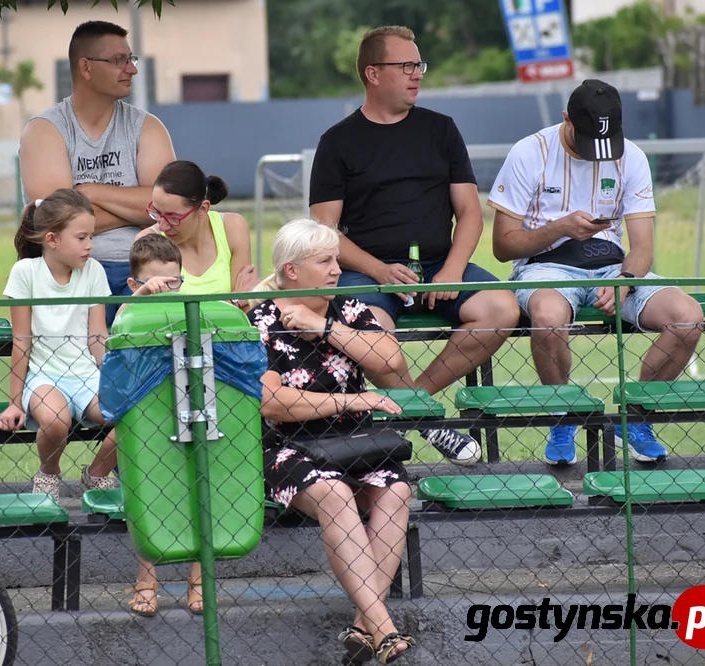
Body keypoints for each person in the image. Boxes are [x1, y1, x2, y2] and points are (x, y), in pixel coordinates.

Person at [308, 26, 519, 467]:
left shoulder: (441, 130)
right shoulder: (337, 142)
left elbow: (471, 212)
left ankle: (411, 406)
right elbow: (324, 231)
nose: (416, 74)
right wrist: (380, 271)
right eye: (405, 66)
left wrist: (453, 270)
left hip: (441, 263)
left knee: (502, 309)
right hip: (366, 270)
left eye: (418, 65)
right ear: (372, 73)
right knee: (373, 337)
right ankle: (429, 423)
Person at [489, 79, 704, 466]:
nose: (596, 155)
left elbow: (643, 248)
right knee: (548, 318)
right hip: (545, 268)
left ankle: (635, 417)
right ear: (566, 119)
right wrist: (560, 228)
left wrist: (624, 280)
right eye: (586, 140)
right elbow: (502, 246)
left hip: (613, 266)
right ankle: (562, 413)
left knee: (687, 317)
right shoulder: (528, 152)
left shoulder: (631, 156)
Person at [247, 218, 415, 664]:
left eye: (336, 259)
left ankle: (366, 626)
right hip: (286, 444)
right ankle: (383, 627)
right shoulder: (261, 319)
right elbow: (271, 403)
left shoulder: (348, 310)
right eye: (325, 261)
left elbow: (390, 360)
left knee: (396, 489)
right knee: (335, 494)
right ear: (290, 271)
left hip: (356, 441)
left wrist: (323, 329)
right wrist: (351, 399)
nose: (337, 270)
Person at [19, 20, 177, 325]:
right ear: (86, 68)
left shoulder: (148, 127)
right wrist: (144, 210)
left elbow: (170, 206)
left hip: (148, 269)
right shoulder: (45, 130)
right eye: (119, 60)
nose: (131, 69)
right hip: (72, 272)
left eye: (131, 59)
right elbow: (56, 220)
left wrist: (90, 193)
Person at [87, 234, 205, 617]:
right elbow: (117, 335)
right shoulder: (128, 313)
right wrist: (140, 300)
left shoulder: (189, 310)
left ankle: (199, 580)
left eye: (174, 283)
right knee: (145, 496)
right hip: (145, 417)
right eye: (156, 284)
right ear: (135, 284)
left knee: (198, 490)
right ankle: (147, 579)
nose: (167, 291)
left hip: (189, 411)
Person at [0, 188, 113, 498]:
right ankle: (49, 473)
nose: (89, 246)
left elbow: (98, 337)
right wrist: (15, 401)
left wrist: (115, 379)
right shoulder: (25, 272)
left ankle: (96, 472)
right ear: (52, 240)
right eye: (81, 237)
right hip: (45, 379)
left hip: (88, 376)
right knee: (57, 421)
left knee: (133, 413)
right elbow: (21, 339)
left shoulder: (94, 272)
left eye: (91, 237)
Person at [136, 160, 259, 304]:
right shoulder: (148, 241)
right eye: (156, 212)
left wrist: (239, 301)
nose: (162, 226)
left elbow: (245, 310)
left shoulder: (233, 227)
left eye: (173, 217)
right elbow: (170, 317)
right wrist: (235, 300)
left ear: (203, 209)